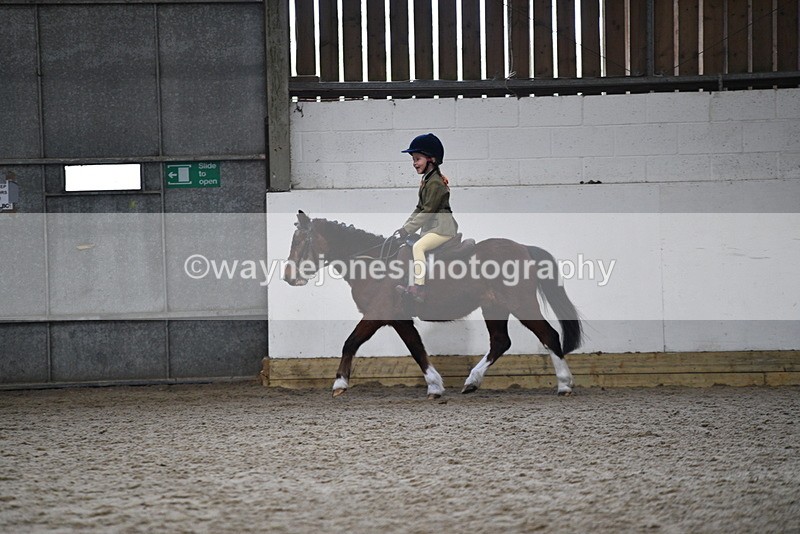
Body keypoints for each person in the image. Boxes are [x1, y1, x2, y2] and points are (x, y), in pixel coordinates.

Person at [394, 133, 458, 303]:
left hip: (442, 229)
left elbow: (428, 211)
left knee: (418, 248)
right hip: (432, 228)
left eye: (417, 159)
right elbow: (419, 208)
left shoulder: (436, 183)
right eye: (413, 159)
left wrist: (408, 229)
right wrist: (405, 227)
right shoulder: (426, 180)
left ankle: (419, 288)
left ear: (432, 160)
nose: (414, 163)